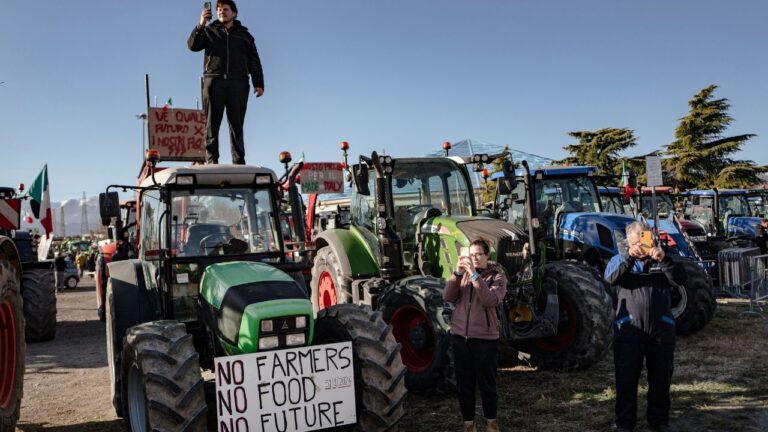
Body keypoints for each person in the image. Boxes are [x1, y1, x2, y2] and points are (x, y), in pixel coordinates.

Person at [604, 221, 687, 432]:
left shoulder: (662, 259)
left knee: (661, 378)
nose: (642, 246)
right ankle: (625, 423)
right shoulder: (619, 260)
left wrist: (664, 259)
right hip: (629, 329)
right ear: (629, 242)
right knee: (626, 378)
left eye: (645, 240)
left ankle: (659, 421)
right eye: (636, 242)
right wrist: (629, 258)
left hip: (661, 329)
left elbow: (680, 278)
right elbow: (611, 278)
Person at [188, 0, 264, 165]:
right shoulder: (208, 31)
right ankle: (211, 160)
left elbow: (254, 60)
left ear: (234, 13)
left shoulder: (245, 36)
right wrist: (201, 24)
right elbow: (193, 46)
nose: (222, 12)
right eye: (219, 9)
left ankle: (238, 161)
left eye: (226, 9)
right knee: (212, 123)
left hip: (239, 82)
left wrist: (259, 83)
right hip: (214, 81)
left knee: (236, 124)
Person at [443, 238, 507, 432]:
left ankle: (491, 424)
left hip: (485, 340)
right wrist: (457, 273)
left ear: (488, 255)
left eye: (479, 254)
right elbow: (447, 297)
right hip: (460, 338)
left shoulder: (497, 277)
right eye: (471, 254)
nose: (475, 258)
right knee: (464, 386)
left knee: (487, 385)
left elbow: (490, 300)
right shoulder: (462, 276)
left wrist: (473, 275)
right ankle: (469, 425)